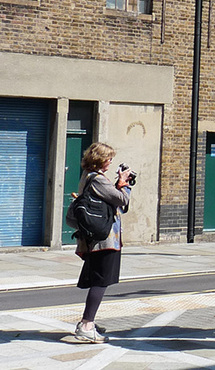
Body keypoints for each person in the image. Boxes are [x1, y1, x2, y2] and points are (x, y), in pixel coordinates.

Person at [73, 143, 132, 343]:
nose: (110, 162)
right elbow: (121, 200)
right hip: (104, 240)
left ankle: (88, 322)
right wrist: (125, 184)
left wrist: (118, 183)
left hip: (96, 239)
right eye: (108, 159)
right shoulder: (98, 179)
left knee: (98, 280)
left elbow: (109, 198)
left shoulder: (88, 177)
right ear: (100, 160)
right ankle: (87, 324)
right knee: (100, 281)